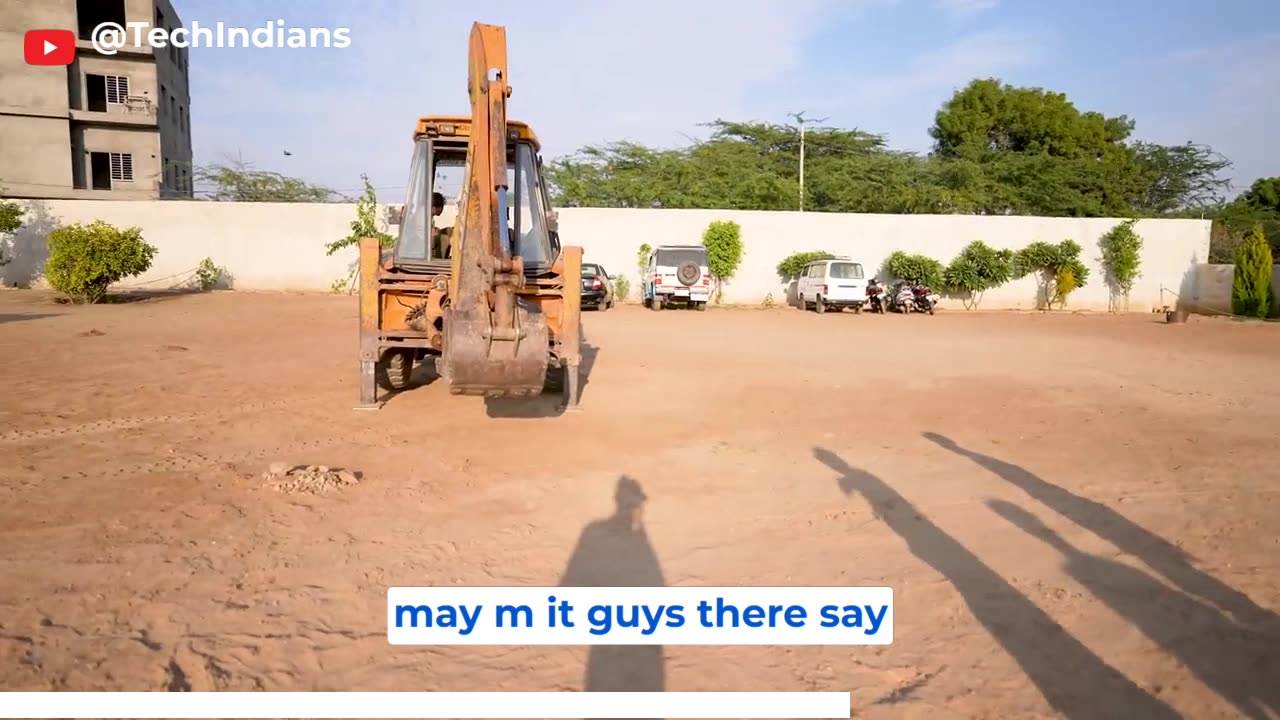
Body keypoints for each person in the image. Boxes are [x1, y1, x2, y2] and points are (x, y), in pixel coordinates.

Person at [430, 192, 452, 260]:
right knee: (444, 239)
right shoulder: (425, 217)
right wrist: (433, 234)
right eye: (441, 206)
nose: (441, 209)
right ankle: (441, 259)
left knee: (449, 230)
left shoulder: (430, 217)